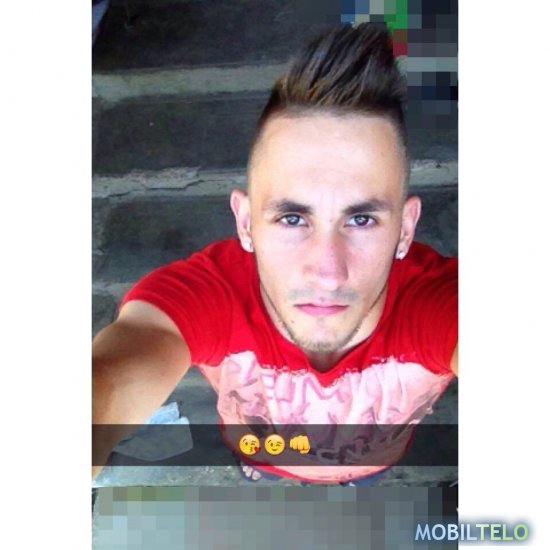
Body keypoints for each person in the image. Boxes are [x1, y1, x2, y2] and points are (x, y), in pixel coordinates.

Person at [92, 23, 458, 486]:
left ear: (405, 230)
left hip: (374, 461)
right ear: (246, 223)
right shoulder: (208, 298)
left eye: (362, 220)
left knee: (361, 477)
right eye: (292, 218)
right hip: (262, 454)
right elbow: (108, 379)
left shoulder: (439, 302)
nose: (328, 272)